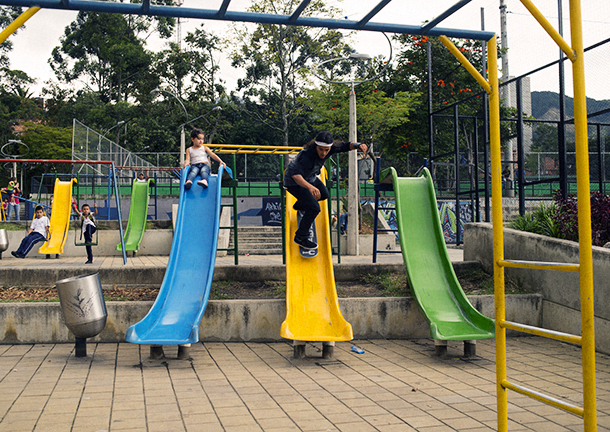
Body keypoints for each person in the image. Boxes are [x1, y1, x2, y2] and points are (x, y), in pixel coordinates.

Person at [284, 131, 367, 250]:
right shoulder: (307, 156)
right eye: (321, 149)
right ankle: (301, 237)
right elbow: (296, 176)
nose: (323, 153)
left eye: (326, 150)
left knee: (324, 194)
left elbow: (345, 146)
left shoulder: (331, 148)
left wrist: (358, 145)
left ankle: (301, 205)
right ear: (316, 146)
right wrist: (310, 187)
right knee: (314, 208)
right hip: (294, 182)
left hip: (310, 177)